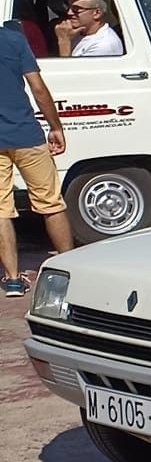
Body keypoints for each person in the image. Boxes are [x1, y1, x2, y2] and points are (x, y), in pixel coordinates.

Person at [0, 18, 75, 296]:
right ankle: (70, 268)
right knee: (49, 201)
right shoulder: (13, 39)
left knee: (1, 210)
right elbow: (38, 89)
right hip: (26, 134)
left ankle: (13, 280)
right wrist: (56, 126)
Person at [55, 0, 123, 58]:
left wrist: (64, 41)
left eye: (76, 9)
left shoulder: (105, 45)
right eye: (67, 7)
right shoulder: (77, 31)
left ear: (97, 13)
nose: (69, 13)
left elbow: (70, 69)